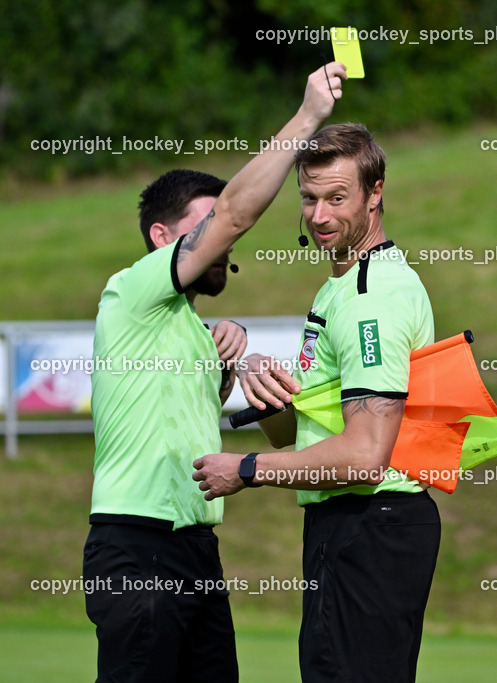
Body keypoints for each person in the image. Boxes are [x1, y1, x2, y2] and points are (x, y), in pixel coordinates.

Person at [84, 62, 346, 682]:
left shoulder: (193, 331)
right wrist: (308, 117)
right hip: (136, 544)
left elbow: (181, 411)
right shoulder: (131, 292)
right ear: (160, 238)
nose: (221, 244)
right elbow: (234, 214)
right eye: (201, 231)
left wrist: (233, 367)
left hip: (196, 547)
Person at [192, 123, 439, 683]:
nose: (319, 216)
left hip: (369, 520)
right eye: (308, 198)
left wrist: (247, 470)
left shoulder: (370, 299)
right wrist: (278, 403)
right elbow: (306, 436)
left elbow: (366, 455)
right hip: (358, 523)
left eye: (336, 198)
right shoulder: (343, 286)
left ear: (375, 193)